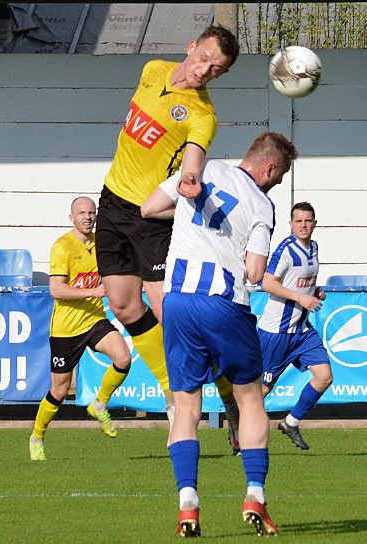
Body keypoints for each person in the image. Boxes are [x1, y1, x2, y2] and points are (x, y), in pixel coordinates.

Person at [141, 132, 299, 537]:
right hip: (224, 303)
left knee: (185, 404)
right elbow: (256, 273)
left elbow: (149, 207)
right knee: (249, 399)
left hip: (177, 301)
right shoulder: (262, 203)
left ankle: (188, 503)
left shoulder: (204, 168)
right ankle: (255, 495)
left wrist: (184, 213)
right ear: (269, 168)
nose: (275, 183)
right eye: (278, 176)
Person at [95, 25, 241, 426]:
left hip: (151, 219)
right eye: (204, 59)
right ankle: (169, 391)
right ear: (191, 47)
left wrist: (190, 182)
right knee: (124, 307)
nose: (205, 70)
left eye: (216, 69)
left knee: (170, 312)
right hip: (111, 201)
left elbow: (191, 164)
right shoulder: (152, 68)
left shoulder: (203, 116)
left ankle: (227, 389)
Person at [29, 197, 132, 461]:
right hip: (66, 328)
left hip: (94, 320)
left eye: (91, 212)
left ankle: (99, 404)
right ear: (72, 218)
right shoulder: (62, 247)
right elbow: (56, 289)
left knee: (123, 357)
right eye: (82, 213)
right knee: (60, 391)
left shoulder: (102, 244)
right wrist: (93, 291)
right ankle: (37, 435)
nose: (87, 217)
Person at [258, 202, 332, 451]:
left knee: (324, 377)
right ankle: (240, 433)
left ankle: (291, 422)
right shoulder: (285, 251)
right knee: (262, 390)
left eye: (308, 220)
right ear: (290, 224)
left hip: (301, 330)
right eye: (298, 221)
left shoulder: (314, 248)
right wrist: (302, 298)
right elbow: (267, 283)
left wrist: (314, 291)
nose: (303, 225)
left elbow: (301, 280)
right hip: (277, 331)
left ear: (315, 223)